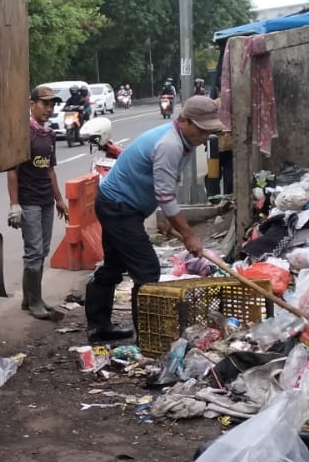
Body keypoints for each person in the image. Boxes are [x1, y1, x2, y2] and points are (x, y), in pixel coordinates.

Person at [84, 94, 227, 341]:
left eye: (209, 132)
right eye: (202, 131)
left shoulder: (185, 141)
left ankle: (99, 328)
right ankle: (148, 337)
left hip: (123, 205)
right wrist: (188, 234)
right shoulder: (170, 144)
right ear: (184, 121)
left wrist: (164, 216)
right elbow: (165, 193)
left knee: (114, 266)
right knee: (147, 270)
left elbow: (165, 184)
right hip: (118, 207)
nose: (205, 137)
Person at [7, 86, 68, 321]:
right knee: (33, 251)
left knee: (41, 251)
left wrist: (59, 199)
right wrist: (14, 205)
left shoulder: (48, 135)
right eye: (45, 104)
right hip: (29, 201)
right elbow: (12, 171)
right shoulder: (24, 134)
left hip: (45, 201)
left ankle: (31, 298)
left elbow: (50, 170)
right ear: (32, 105)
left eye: (52, 105)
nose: (49, 109)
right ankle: (34, 302)